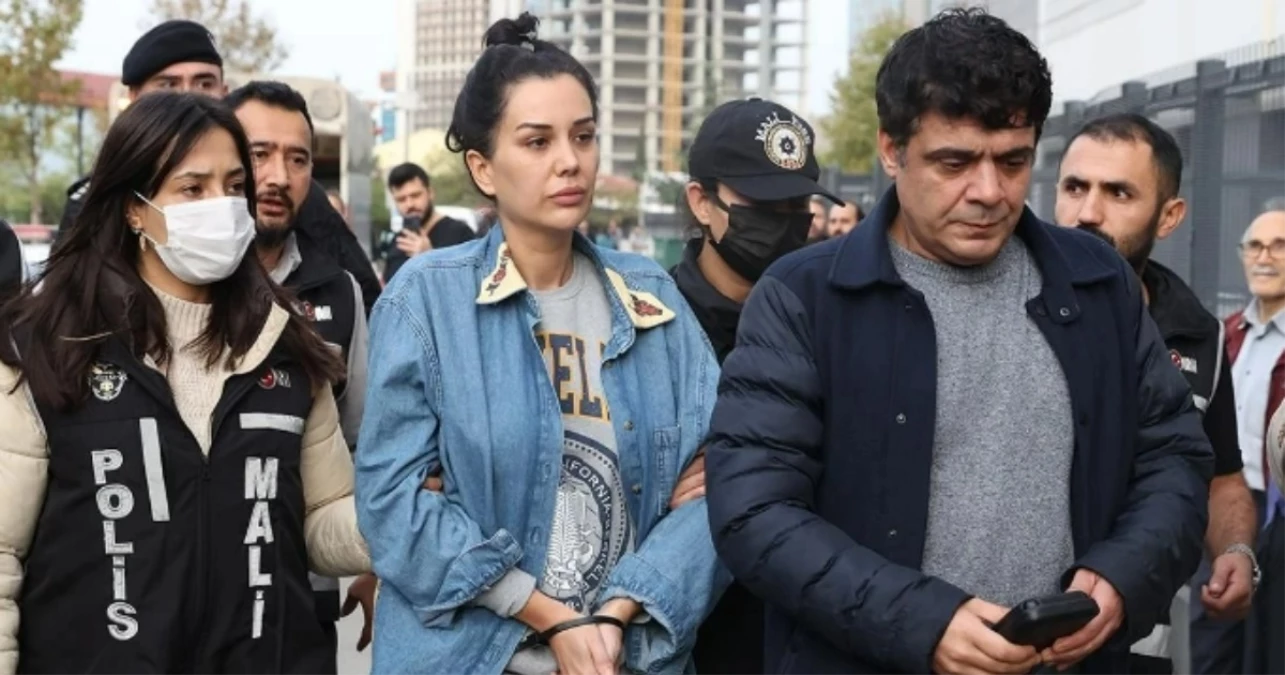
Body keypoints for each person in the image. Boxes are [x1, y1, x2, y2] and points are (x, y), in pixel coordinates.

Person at [704, 9, 1212, 675]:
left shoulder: (1098, 283)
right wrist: (921, 622)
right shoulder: (803, 297)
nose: (988, 191)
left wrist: (1121, 576)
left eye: (1013, 161)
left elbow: (1174, 457)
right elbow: (754, 513)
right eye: (955, 161)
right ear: (891, 150)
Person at [355, 14, 724, 675]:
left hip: (624, 656)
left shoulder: (650, 296)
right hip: (470, 659)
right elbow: (391, 505)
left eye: (583, 136)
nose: (569, 160)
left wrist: (616, 613)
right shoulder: (427, 301)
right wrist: (550, 616)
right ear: (483, 168)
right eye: (537, 141)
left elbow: (722, 487)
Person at [0, 92, 370, 675]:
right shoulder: (44, 347)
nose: (221, 207)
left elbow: (321, 516)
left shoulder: (287, 345)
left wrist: (396, 522)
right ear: (134, 208)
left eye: (233, 186)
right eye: (193, 189)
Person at [1054, 113, 1258, 675]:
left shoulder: (1199, 333)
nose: (1087, 212)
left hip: (1138, 647)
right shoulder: (1003, 307)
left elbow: (1220, 476)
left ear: (1169, 216)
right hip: (1005, 634)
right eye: (1075, 187)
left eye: (1118, 193)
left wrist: (1237, 552)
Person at [671, 97, 841, 674]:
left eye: (797, 206)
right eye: (762, 206)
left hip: (799, 625)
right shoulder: (650, 325)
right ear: (702, 202)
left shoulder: (830, 320)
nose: (784, 222)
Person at [54, 19, 382, 317]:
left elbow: (366, 302)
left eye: (204, 84)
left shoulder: (290, 193)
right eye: (167, 85)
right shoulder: (95, 197)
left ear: (224, 92)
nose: (187, 98)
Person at [226, 80, 377, 659]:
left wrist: (374, 561)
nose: (278, 176)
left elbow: (363, 443)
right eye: (259, 154)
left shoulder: (339, 292)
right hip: (191, 588)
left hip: (302, 591)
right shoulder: (179, 283)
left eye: (297, 159)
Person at [1225, 207, 1285, 674]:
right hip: (1224, 507)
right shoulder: (1225, 333)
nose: (1265, 257)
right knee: (1214, 643)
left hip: (1276, 510)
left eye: (1280, 246)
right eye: (1255, 246)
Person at [381, 162, 476, 282]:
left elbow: (471, 283)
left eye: (415, 195)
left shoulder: (460, 234)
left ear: (430, 193)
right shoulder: (398, 241)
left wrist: (430, 258)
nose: (409, 204)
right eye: (401, 199)